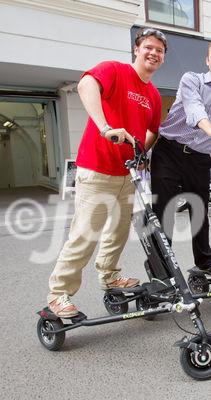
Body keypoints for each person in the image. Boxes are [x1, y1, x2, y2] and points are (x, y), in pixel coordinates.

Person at [47, 28, 166, 317]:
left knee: (118, 232)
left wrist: (140, 155)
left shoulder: (152, 94)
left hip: (127, 175)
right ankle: (58, 293)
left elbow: (152, 130)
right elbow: (86, 85)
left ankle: (109, 276)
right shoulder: (114, 70)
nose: (153, 53)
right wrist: (104, 128)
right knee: (85, 234)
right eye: (148, 47)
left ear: (163, 58)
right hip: (97, 170)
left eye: (159, 50)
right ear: (136, 49)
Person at [150, 39, 211, 278]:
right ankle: (161, 273)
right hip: (169, 151)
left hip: (199, 158)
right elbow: (195, 110)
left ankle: (204, 263)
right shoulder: (192, 80)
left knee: (199, 213)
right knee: (163, 213)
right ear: (207, 60)